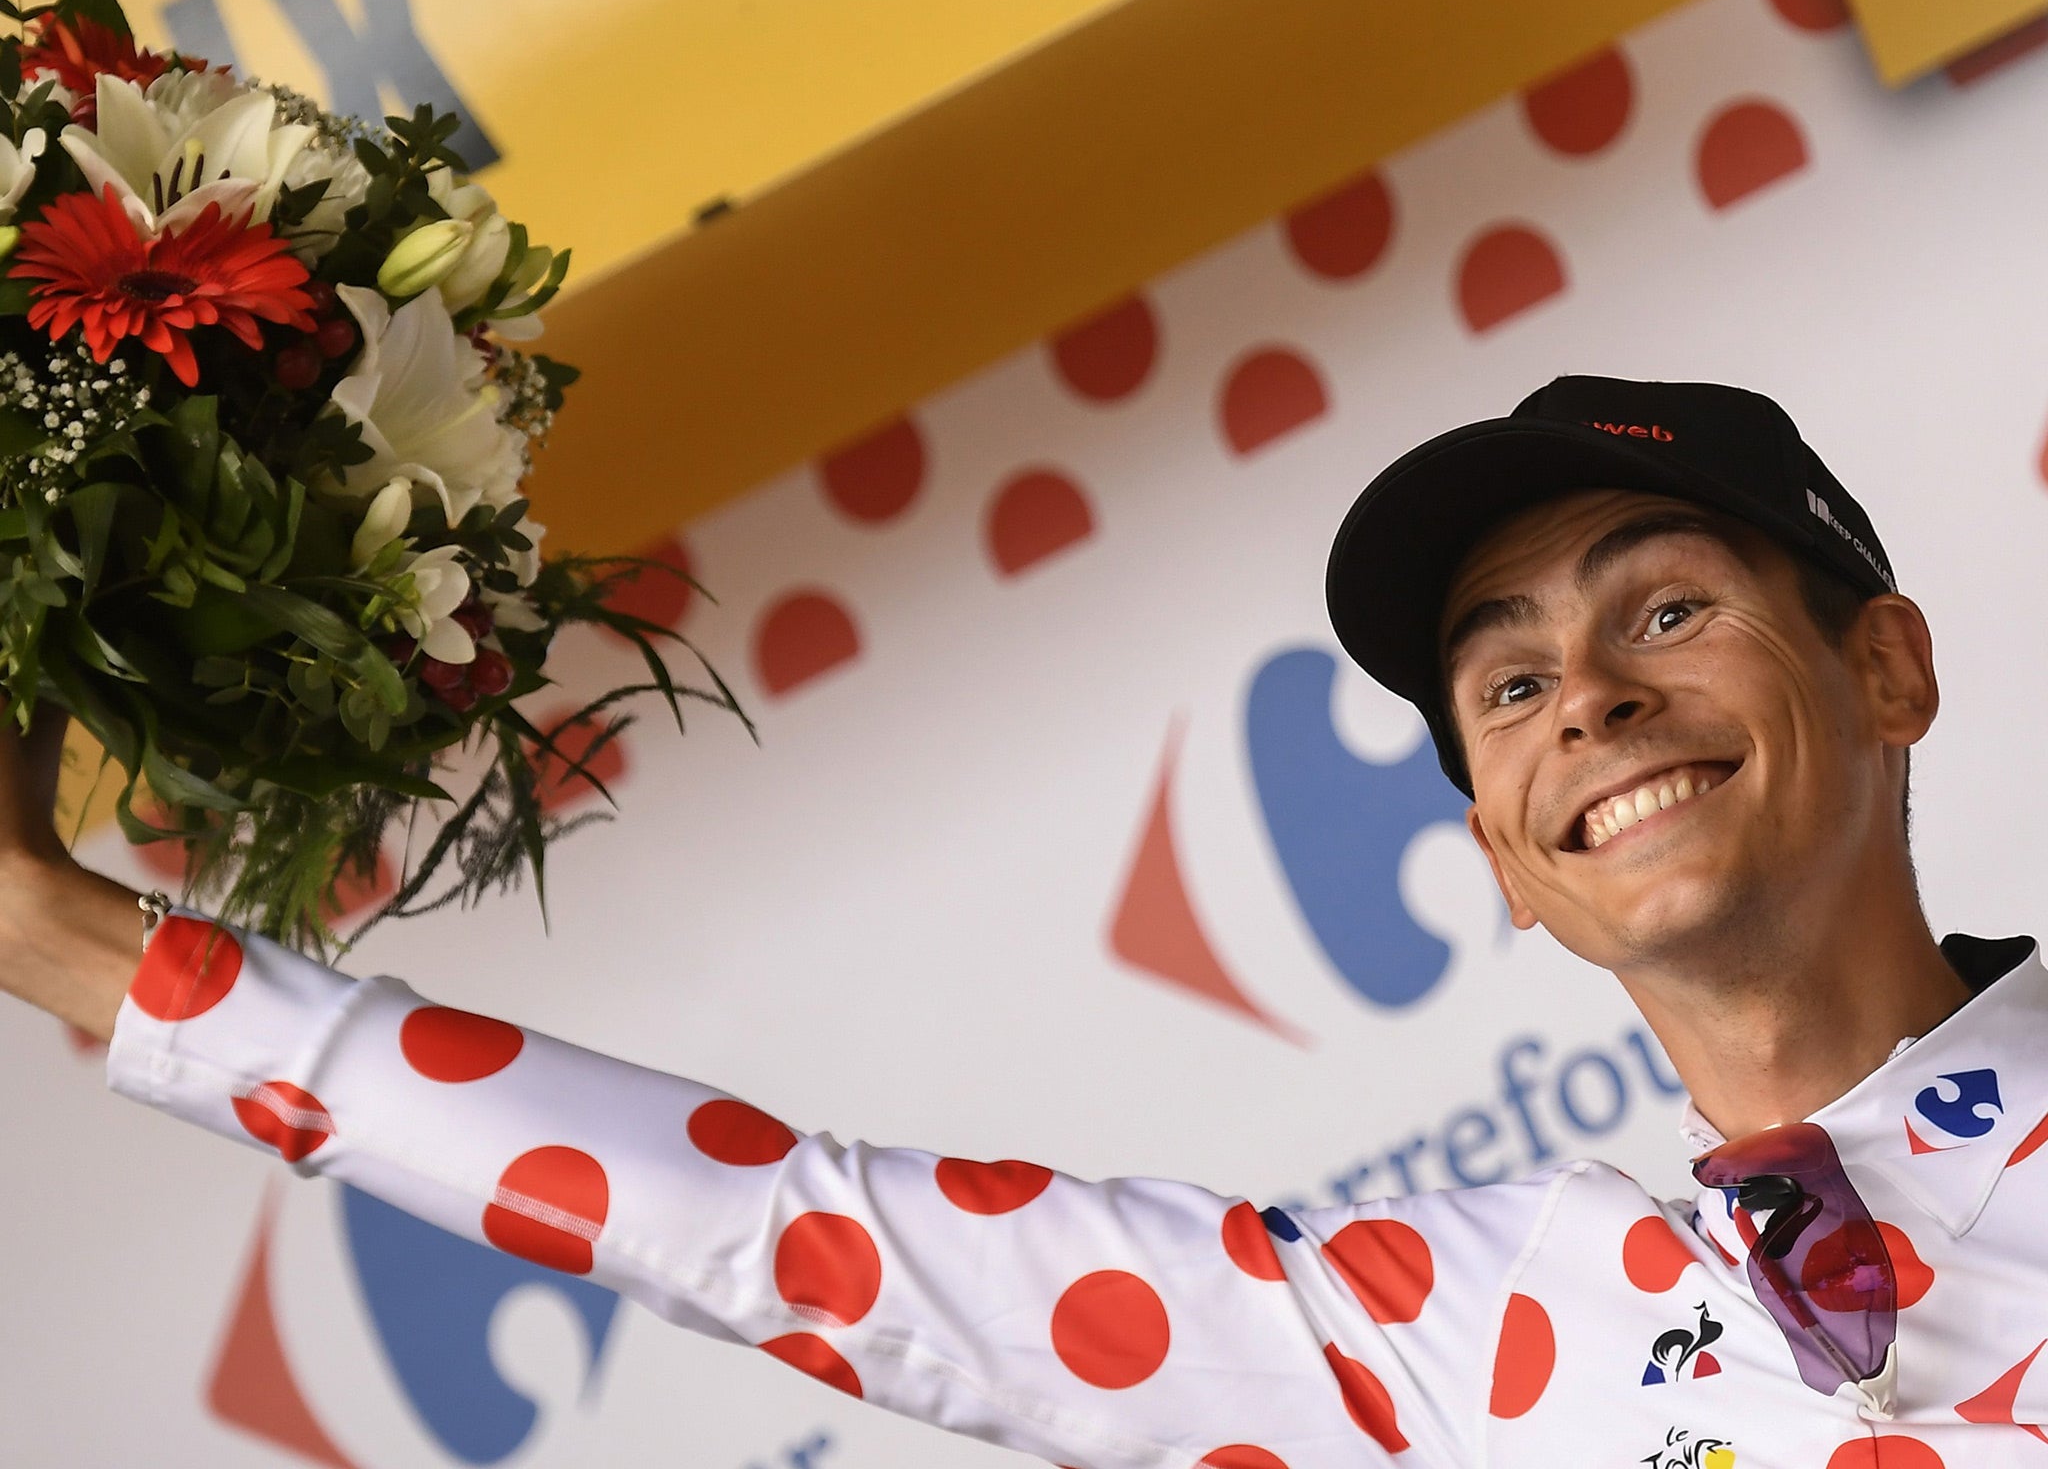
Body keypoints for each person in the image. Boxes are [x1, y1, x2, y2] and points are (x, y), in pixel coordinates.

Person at [3, 374, 2042, 1467]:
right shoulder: (1441, 1340)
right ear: (1506, 862)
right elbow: (789, 1233)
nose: (1585, 697)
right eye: (1502, 687)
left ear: (1886, 670)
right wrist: (77, 945)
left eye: (1666, 609)